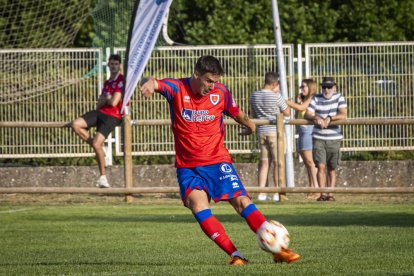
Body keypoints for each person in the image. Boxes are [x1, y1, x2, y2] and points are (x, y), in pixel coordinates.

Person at [140, 56, 300, 265]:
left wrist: (250, 125)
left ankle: (279, 250)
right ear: (196, 74)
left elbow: (236, 113)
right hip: (188, 167)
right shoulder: (177, 88)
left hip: (217, 161)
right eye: (208, 81)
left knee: (242, 202)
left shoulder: (220, 92)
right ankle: (236, 255)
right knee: (198, 207)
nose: (212, 86)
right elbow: (154, 82)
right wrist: (149, 83)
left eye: (215, 81)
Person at [71, 54, 125, 188]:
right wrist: (107, 98)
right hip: (100, 113)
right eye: (111, 64)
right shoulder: (108, 82)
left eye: (116, 64)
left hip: (113, 116)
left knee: (96, 143)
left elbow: (113, 103)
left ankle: (103, 177)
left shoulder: (122, 81)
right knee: (76, 124)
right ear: (108, 65)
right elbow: (99, 104)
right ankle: (98, 147)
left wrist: (106, 98)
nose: (113, 66)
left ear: (120, 65)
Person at [305, 77, 347, 201]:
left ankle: (331, 194)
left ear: (334, 87)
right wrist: (316, 118)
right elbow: (308, 113)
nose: (326, 89)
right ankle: (322, 193)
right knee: (321, 167)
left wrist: (330, 118)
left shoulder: (339, 97)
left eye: (329, 87)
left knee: (332, 168)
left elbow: (344, 114)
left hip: (334, 137)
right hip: (318, 137)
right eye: (324, 87)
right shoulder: (316, 98)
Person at [250, 72, 291, 202]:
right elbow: (287, 112)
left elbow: (253, 113)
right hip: (275, 132)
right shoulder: (276, 96)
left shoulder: (254, 95)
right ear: (274, 84)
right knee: (277, 162)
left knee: (264, 162)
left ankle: (261, 192)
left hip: (261, 131)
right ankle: (276, 191)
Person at [287, 79, 319, 199]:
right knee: (307, 163)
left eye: (304, 87)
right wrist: (298, 102)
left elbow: (302, 109)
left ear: (310, 87)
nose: (301, 89)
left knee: (310, 162)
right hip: (301, 132)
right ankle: (312, 188)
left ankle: (317, 189)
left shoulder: (312, 98)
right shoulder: (305, 101)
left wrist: (286, 102)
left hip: (308, 132)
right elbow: (298, 113)